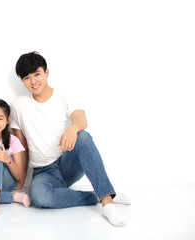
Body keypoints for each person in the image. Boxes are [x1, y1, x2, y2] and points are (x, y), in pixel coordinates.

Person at [10, 52, 131, 227]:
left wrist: (72, 129)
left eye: (37, 74)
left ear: (47, 73)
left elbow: (81, 119)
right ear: (22, 81)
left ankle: (108, 203)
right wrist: (21, 180)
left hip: (68, 163)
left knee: (82, 136)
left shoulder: (63, 95)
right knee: (39, 196)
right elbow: (20, 147)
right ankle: (99, 194)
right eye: (27, 77)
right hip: (43, 172)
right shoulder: (18, 105)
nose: (33, 81)